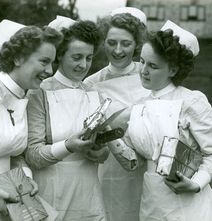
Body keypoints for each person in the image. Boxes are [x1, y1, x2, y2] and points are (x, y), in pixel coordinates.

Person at [108, 20, 212, 221]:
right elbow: (134, 162)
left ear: (172, 70)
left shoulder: (191, 101)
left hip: (189, 205)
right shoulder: (139, 106)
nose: (143, 70)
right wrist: (108, 134)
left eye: (153, 66)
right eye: (142, 61)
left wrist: (197, 183)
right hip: (152, 205)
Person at [0, 19, 62, 220]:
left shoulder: (23, 95)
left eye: (52, 63)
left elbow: (14, 153)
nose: (50, 71)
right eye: (44, 61)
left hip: (7, 198)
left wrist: (26, 179)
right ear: (18, 58)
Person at [25, 16, 108, 221]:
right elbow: (33, 155)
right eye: (77, 57)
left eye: (89, 58)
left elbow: (104, 151)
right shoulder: (39, 92)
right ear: (60, 55)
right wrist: (69, 146)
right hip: (50, 193)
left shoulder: (95, 93)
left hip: (88, 195)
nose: (84, 65)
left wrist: (100, 152)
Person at [83, 7, 150, 221]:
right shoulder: (91, 84)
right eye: (112, 43)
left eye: (126, 43)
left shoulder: (150, 76)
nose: (118, 50)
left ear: (137, 44)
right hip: (109, 169)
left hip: (148, 167)